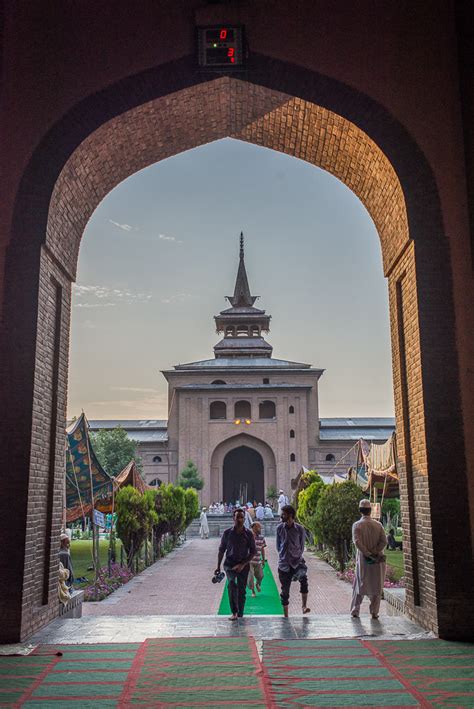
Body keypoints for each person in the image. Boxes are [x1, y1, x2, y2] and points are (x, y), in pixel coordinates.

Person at [215, 508, 256, 621]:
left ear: (244, 519)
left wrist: (243, 564)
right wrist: (218, 566)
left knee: (242, 590)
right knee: (232, 584)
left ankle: (240, 613)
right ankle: (234, 612)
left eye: (241, 517)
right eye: (237, 517)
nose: (239, 519)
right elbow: (221, 550)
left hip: (243, 564)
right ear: (233, 518)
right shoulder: (227, 533)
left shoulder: (248, 534)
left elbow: (253, 552)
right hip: (230, 564)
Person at [351, 499, 387, 620]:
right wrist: (375, 552)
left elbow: (357, 542)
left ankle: (355, 610)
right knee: (376, 585)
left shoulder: (357, 525)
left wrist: (367, 553)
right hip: (377, 560)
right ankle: (374, 612)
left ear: (360, 511)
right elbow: (384, 541)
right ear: (370, 511)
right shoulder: (378, 525)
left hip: (363, 560)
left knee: (359, 584)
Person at [276, 504, 310, 617]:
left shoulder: (299, 529)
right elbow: (278, 545)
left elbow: (301, 545)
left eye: (284, 514)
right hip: (284, 563)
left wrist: (297, 556)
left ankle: (304, 606)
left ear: (290, 515)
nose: (281, 516)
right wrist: (283, 555)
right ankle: (286, 615)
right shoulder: (279, 528)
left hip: (297, 562)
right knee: (285, 590)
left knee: (304, 581)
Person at [247, 521, 266, 597]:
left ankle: (257, 584)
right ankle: (253, 591)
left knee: (261, 576)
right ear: (253, 528)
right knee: (251, 577)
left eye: (260, 527)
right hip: (249, 561)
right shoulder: (248, 537)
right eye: (258, 527)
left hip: (258, 560)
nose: (260, 529)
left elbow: (262, 549)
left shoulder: (261, 537)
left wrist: (263, 559)